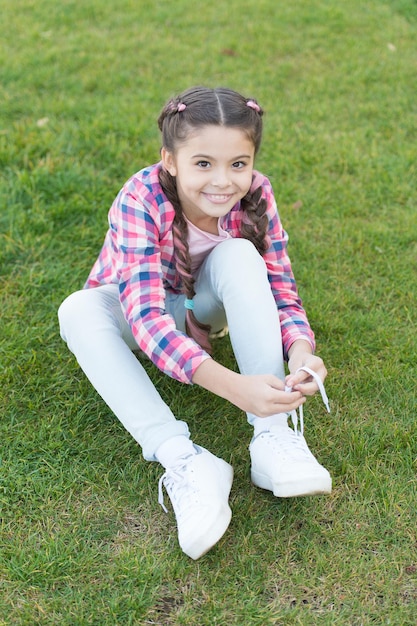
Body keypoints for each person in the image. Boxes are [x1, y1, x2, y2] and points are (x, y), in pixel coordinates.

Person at [58, 86, 332, 561]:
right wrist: (231, 385)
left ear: (252, 162)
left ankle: (273, 434)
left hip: (204, 305)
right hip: (148, 313)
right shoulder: (139, 198)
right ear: (170, 159)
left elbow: (280, 286)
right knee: (77, 310)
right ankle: (184, 460)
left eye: (238, 164)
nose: (223, 181)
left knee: (242, 253)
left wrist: (302, 351)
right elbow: (143, 317)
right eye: (203, 163)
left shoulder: (256, 195)